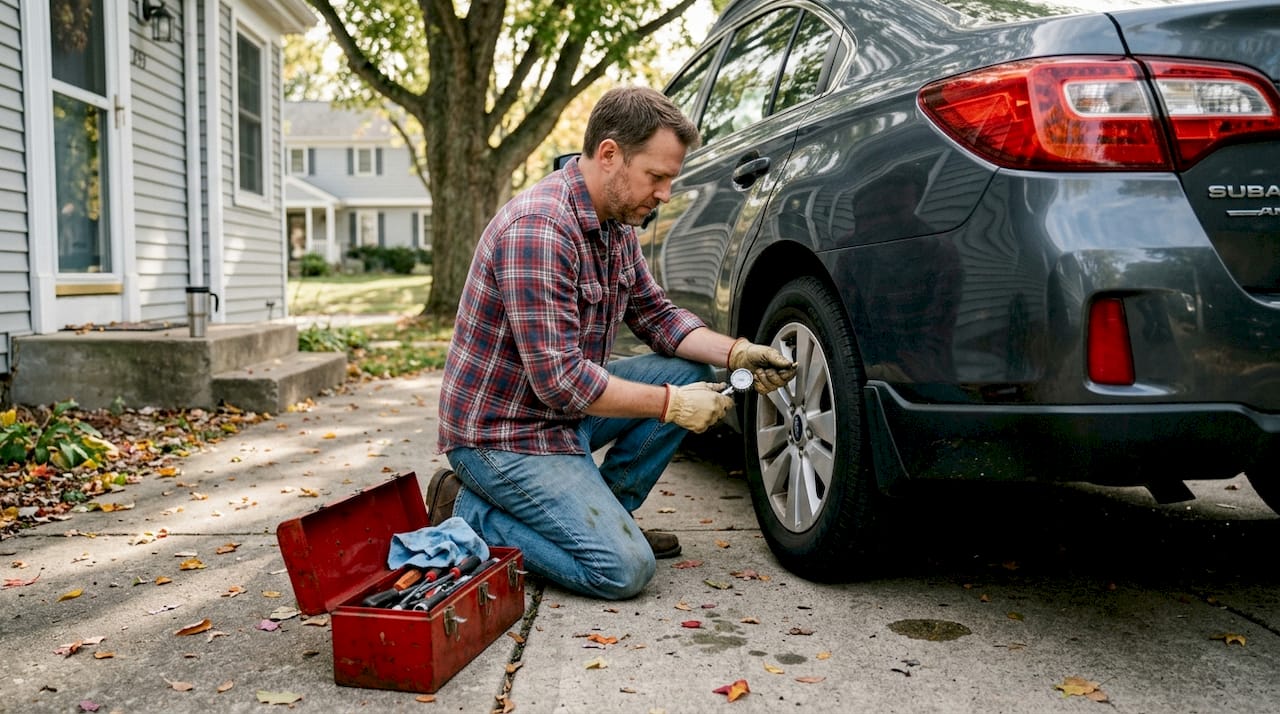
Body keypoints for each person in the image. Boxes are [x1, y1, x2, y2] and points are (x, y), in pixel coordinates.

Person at [432, 86, 795, 600]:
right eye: (658, 176)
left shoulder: (615, 224)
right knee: (624, 571)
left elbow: (657, 316)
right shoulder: (539, 229)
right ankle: (468, 511)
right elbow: (560, 381)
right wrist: (670, 406)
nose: (665, 193)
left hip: (560, 417)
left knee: (690, 372)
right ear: (609, 155)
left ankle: (606, 519)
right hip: (502, 436)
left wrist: (737, 352)